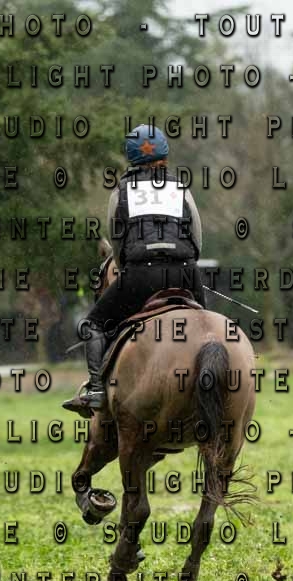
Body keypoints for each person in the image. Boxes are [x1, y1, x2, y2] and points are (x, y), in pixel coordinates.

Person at [63, 124, 206, 415]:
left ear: (131, 158)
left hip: (141, 275)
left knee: (93, 324)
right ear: (165, 155)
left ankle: (96, 390)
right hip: (185, 272)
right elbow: (197, 237)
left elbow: (117, 244)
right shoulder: (180, 188)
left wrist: (127, 266)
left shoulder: (121, 191)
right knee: (209, 326)